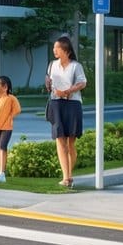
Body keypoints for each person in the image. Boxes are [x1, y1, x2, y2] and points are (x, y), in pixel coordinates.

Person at [46, 36, 87, 188]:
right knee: (60, 139)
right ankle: (66, 177)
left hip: (72, 104)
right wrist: (48, 84)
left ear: (66, 50)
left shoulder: (76, 66)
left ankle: (69, 175)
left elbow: (82, 83)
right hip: (56, 103)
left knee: (70, 143)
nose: (54, 50)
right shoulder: (52, 65)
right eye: (54, 48)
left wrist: (68, 91)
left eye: (57, 48)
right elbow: (49, 83)